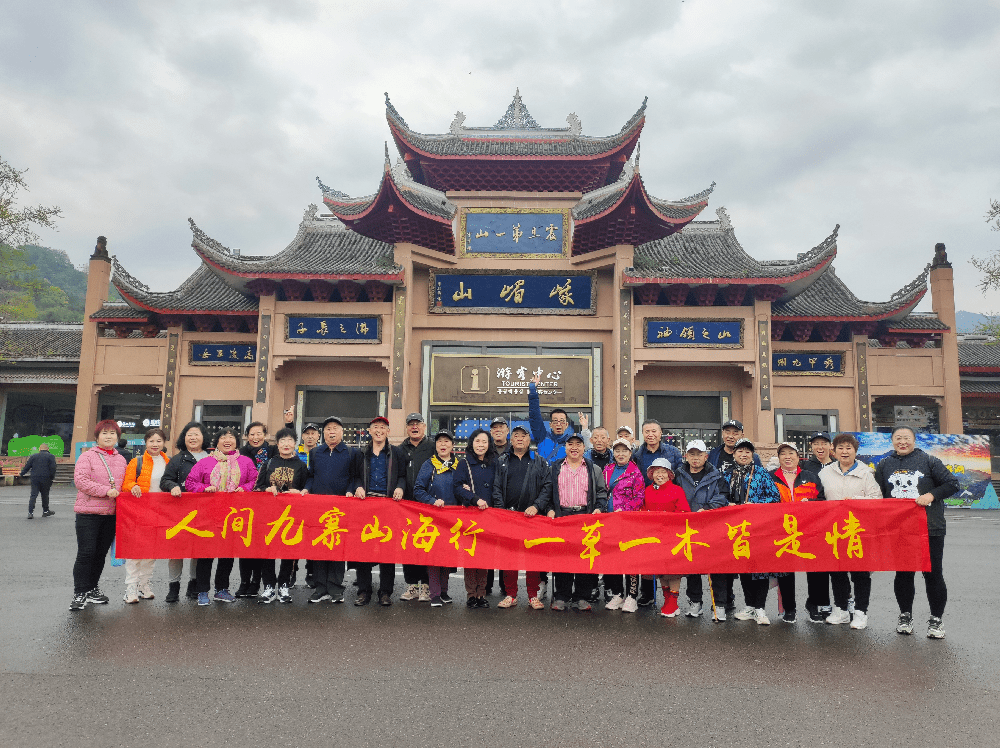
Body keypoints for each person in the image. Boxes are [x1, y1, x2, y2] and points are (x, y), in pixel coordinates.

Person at [874, 425, 959, 640]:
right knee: (903, 573)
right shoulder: (884, 464)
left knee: (933, 573)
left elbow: (952, 484)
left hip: (930, 528)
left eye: (906, 438)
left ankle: (936, 620)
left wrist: (931, 495)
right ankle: (905, 616)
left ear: (914, 440)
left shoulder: (929, 461)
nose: (902, 442)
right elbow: (877, 494)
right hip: (899, 528)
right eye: (898, 438)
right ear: (892, 441)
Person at [186, 427, 258, 605]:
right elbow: (190, 482)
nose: (227, 440)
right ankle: (202, 590)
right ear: (216, 442)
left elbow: (254, 480)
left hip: (234, 516)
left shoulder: (246, 462)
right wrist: (204, 488)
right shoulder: (205, 462)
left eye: (231, 437)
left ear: (236, 442)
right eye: (223, 437)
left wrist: (245, 488)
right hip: (208, 515)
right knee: (206, 554)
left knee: (227, 554)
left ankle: (222, 589)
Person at [818, 433, 882, 630]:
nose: (844, 452)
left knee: (860, 573)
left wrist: (855, 502)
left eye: (848, 448)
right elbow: (820, 499)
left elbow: (877, 499)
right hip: (834, 530)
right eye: (840, 448)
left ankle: (861, 612)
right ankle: (841, 609)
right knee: (837, 571)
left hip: (859, 530)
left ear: (855, 451)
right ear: (834, 451)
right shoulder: (825, 473)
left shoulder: (866, 473)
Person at [538, 433, 607, 611]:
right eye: (570, 444)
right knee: (563, 557)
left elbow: (601, 493)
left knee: (585, 557)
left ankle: (582, 596)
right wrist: (549, 509)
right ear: (565, 447)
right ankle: (562, 596)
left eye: (578, 444)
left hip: (585, 516)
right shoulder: (555, 468)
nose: (574, 447)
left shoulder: (593, 469)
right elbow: (547, 492)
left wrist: (599, 508)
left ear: (584, 448)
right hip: (563, 516)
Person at [70, 420, 128, 611]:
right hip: (88, 513)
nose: (108, 436)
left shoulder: (121, 460)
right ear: (97, 437)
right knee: (86, 553)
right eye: (104, 433)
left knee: (100, 554)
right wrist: (105, 491)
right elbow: (80, 481)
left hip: (111, 514)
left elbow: (125, 484)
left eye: (112, 433)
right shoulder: (87, 456)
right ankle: (80, 592)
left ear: (117, 437)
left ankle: (92, 588)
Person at [493, 424, 551, 610]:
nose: (519, 438)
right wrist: (501, 511)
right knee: (509, 558)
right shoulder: (502, 461)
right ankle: (511, 595)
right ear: (511, 439)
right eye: (516, 435)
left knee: (532, 558)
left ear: (529, 440)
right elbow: (496, 487)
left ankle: (533, 595)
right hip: (508, 516)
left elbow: (547, 487)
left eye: (523, 435)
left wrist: (537, 506)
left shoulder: (539, 461)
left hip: (532, 517)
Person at [727, 438, 783, 626]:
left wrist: (756, 505)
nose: (744, 454)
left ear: (752, 455)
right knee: (744, 568)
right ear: (734, 453)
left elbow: (774, 497)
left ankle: (760, 608)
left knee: (760, 569)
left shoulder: (761, 473)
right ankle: (750, 605)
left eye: (748, 452)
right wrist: (727, 504)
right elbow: (720, 496)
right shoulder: (728, 474)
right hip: (737, 529)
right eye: (740, 451)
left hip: (759, 527)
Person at [351, 416, 405, 607]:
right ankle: (364, 591)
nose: (379, 430)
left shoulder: (396, 453)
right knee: (363, 549)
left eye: (383, 427)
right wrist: (358, 486)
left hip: (388, 505)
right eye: (376, 427)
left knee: (387, 550)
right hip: (366, 505)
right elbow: (355, 476)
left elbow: (402, 476)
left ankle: (385, 592)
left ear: (388, 431)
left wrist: (400, 487)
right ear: (370, 431)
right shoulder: (361, 453)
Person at [673, 439, 730, 620]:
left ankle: (719, 605)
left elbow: (723, 496)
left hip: (712, 525)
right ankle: (695, 602)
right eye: (692, 454)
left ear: (706, 456)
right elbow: (672, 495)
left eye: (699, 454)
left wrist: (707, 508)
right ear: (686, 456)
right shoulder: (678, 474)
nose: (695, 458)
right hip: (688, 527)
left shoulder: (716, 475)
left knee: (716, 567)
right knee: (692, 567)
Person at [769, 442, 825, 624]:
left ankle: (813, 605)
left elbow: (822, 501)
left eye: (791, 453)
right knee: (785, 570)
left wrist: (811, 504)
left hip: (809, 529)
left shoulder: (810, 477)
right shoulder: (770, 478)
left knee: (815, 569)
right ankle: (789, 608)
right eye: (783, 453)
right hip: (782, 530)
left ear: (797, 456)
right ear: (778, 458)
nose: (787, 457)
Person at [304, 415, 357, 605]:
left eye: (335, 428)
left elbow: (355, 477)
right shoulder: (316, 452)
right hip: (318, 509)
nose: (331, 432)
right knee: (319, 549)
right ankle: (320, 588)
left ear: (342, 432)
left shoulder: (351, 453)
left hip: (340, 509)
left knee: (336, 548)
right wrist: (306, 488)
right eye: (328, 429)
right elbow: (311, 476)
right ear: (323, 433)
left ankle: (335, 588)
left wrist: (351, 490)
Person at [254, 427, 309, 604]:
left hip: (291, 516)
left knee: (288, 550)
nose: (286, 444)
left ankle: (284, 585)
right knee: (267, 550)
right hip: (269, 515)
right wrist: (266, 489)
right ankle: (269, 586)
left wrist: (299, 492)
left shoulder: (301, 465)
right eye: (282, 440)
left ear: (295, 444)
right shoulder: (269, 463)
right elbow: (257, 487)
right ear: (277, 444)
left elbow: (306, 489)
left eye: (290, 440)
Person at [631, 420, 683, 606]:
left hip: (669, 506)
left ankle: (671, 599)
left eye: (654, 431)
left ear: (661, 433)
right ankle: (648, 594)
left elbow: (680, 476)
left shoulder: (673, 452)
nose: (650, 434)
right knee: (647, 554)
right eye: (647, 431)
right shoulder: (637, 454)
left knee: (668, 557)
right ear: (642, 434)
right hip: (647, 505)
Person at [160, 421, 210, 601]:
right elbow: (165, 480)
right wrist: (172, 486)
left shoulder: (212, 458)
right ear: (184, 438)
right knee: (177, 550)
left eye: (196, 434)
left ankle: (193, 584)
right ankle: (173, 587)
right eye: (189, 434)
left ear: (203, 437)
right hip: (180, 510)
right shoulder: (178, 459)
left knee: (199, 549)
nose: (193, 437)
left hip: (205, 511)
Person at [120, 427, 169, 604]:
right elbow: (126, 483)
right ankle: (130, 588)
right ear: (145, 443)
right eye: (151, 441)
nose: (155, 444)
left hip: (160, 514)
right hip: (138, 513)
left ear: (164, 443)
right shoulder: (136, 462)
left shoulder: (169, 462)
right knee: (135, 551)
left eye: (158, 441)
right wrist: (132, 486)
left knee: (151, 552)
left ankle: (144, 584)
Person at [414, 430, 460, 607]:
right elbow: (418, 490)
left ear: (452, 445)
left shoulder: (459, 465)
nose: (443, 444)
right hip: (433, 518)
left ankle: (444, 591)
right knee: (434, 557)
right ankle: (434, 594)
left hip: (452, 519)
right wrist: (432, 501)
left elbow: (464, 489)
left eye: (447, 441)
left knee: (447, 557)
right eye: (440, 441)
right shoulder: (429, 464)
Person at [454, 428, 497, 608]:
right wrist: (474, 498)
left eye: (484, 442)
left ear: (489, 444)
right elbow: (457, 487)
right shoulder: (464, 463)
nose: (481, 445)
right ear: (471, 443)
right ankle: (471, 594)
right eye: (477, 441)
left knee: (485, 557)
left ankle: (482, 593)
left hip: (489, 516)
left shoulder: (494, 463)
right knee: (471, 556)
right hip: (471, 515)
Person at [642, 458, 690, 617]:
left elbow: (684, 512)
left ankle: (673, 602)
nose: (660, 475)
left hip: (672, 536)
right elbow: (643, 509)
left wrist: (666, 518)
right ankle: (667, 600)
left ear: (669, 474)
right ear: (652, 474)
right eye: (656, 471)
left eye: (663, 471)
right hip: (654, 536)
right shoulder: (648, 490)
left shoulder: (677, 490)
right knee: (660, 570)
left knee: (673, 570)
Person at [602, 437, 646, 612]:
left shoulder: (636, 473)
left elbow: (639, 497)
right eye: (617, 451)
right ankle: (618, 594)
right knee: (612, 557)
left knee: (630, 558)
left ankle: (632, 596)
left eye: (624, 451)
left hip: (628, 521)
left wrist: (624, 510)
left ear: (630, 453)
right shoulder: (607, 469)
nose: (620, 454)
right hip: (608, 521)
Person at [399, 412, 434, 602]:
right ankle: (412, 584)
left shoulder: (432, 446)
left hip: (428, 505)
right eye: (411, 424)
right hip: (406, 506)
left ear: (424, 426)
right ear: (407, 428)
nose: (414, 427)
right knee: (408, 546)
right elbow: (398, 475)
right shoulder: (400, 449)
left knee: (427, 545)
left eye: (418, 424)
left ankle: (427, 585)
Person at [526, 373, 589, 461]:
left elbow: (587, 451)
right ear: (550, 424)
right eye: (555, 421)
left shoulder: (571, 443)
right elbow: (534, 416)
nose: (558, 424)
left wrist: (585, 428)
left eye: (562, 421)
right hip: (543, 470)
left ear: (566, 425)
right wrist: (533, 389)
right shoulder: (542, 437)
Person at [21, 441, 56, 519]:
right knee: (45, 495)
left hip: (35, 478)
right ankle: (45, 511)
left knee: (33, 495)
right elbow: (53, 468)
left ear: (39, 449)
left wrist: (21, 474)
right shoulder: (51, 456)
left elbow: (27, 466)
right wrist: (51, 478)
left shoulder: (33, 456)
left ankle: (30, 513)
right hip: (46, 478)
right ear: (48, 449)